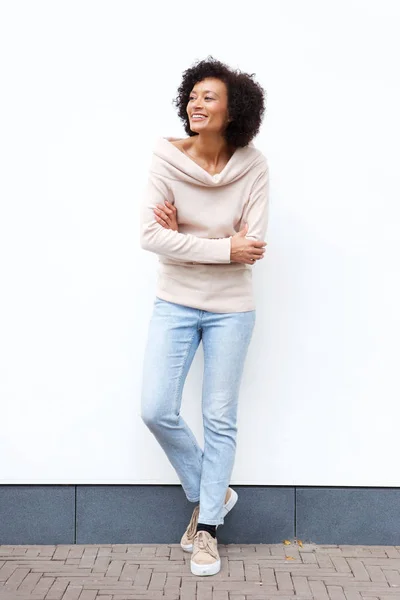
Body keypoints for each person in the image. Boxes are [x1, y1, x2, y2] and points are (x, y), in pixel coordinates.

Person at [139, 56, 269, 577]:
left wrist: (185, 237)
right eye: (192, 95)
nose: (196, 103)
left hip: (232, 308)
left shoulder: (253, 164)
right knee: (155, 408)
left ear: (233, 109)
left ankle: (207, 528)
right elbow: (149, 236)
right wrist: (219, 245)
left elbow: (252, 245)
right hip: (175, 299)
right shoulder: (164, 158)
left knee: (219, 418)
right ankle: (214, 493)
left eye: (208, 96)